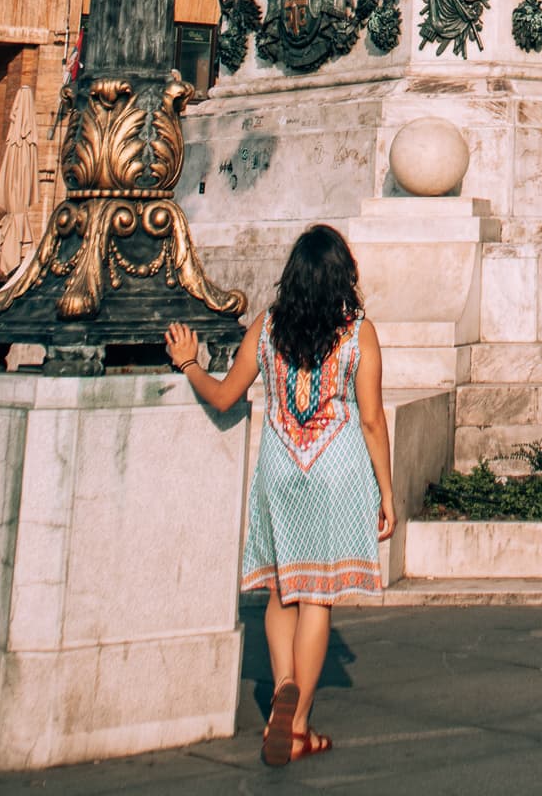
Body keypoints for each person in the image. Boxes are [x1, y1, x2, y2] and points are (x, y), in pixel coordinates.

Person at [166, 225, 394, 768]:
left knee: (280, 590)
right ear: (345, 277)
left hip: (280, 467)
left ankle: (283, 682)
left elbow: (224, 396)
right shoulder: (358, 332)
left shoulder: (267, 327)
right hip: (333, 467)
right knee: (318, 596)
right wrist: (387, 490)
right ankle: (297, 725)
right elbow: (370, 419)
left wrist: (189, 362)